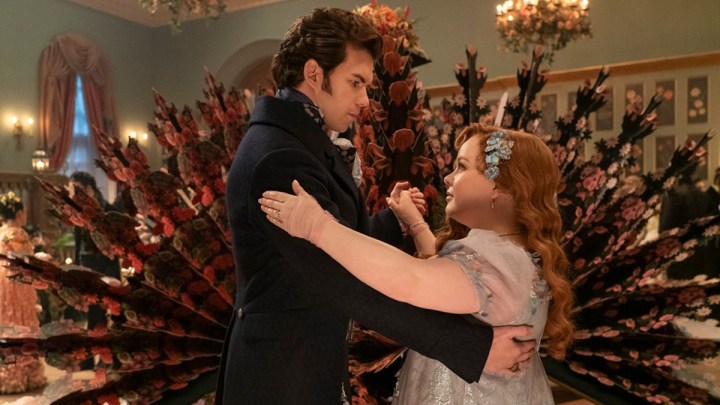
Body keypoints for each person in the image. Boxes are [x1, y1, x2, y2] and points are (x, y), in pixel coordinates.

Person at [216, 8, 535, 404]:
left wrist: (393, 222)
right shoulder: (278, 159)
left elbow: (340, 242)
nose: (365, 100)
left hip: (305, 361)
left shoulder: (299, 143)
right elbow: (342, 278)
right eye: (355, 83)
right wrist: (473, 348)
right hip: (281, 376)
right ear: (313, 73)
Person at [260, 124, 575, 404]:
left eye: (461, 167)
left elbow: (413, 280)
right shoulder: (512, 253)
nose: (448, 178)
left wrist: (318, 227)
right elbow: (448, 280)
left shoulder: (497, 259)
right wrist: (414, 223)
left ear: (498, 187)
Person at [0, 191, 47, 393]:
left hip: (2, 279)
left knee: (7, 321)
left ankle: (7, 373)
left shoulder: (1, 232)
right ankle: (26, 372)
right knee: (22, 320)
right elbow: (24, 256)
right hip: (17, 280)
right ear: (18, 213)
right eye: (24, 212)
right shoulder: (17, 233)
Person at [68, 171, 121, 331]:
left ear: (89, 189)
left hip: (104, 268)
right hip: (86, 268)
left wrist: (110, 275)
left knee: (102, 315)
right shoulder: (79, 211)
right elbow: (79, 245)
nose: (72, 195)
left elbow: (114, 246)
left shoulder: (107, 211)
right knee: (91, 315)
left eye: (75, 191)